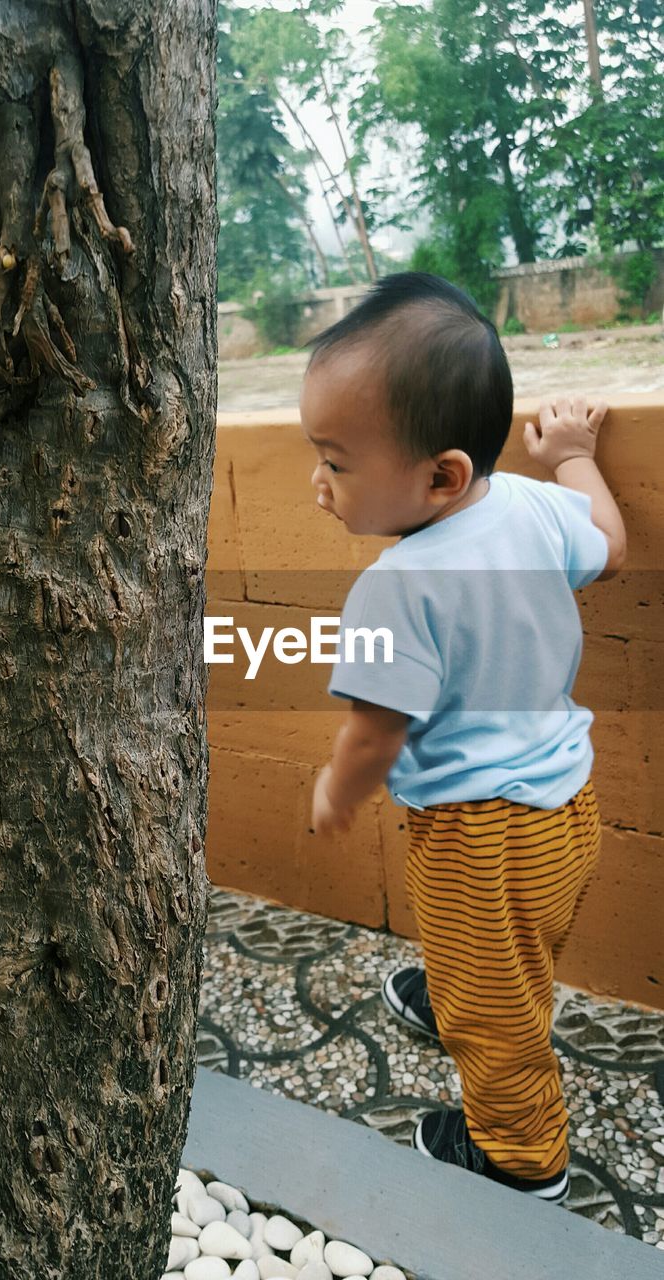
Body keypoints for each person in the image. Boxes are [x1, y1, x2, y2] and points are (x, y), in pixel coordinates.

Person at [301, 273, 626, 1205]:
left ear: (440, 474)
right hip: (568, 804)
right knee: (511, 947)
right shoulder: (525, 506)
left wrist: (336, 791)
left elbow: (377, 728)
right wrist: (571, 456)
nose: (317, 483)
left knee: (500, 1020)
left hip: (478, 837)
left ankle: (524, 1162)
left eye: (336, 462)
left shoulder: (396, 588)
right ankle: (457, 989)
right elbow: (611, 543)